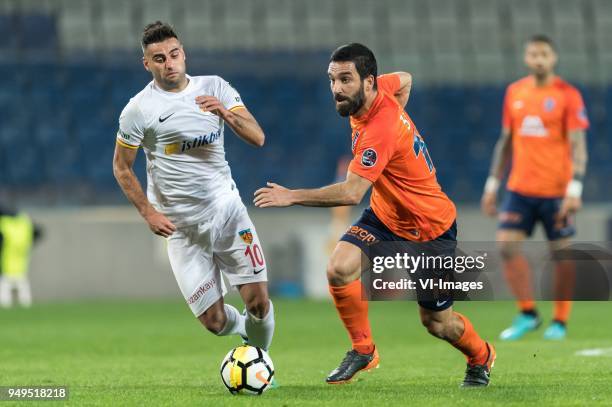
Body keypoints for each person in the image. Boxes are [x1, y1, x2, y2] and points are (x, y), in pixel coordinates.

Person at [254, 43, 495, 387]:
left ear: (367, 82)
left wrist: (292, 195)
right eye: (332, 79)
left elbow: (351, 192)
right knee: (339, 268)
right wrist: (398, 119)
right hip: (385, 216)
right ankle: (363, 350)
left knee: (438, 323)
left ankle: (481, 356)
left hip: (430, 228)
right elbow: (406, 79)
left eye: (345, 80)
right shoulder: (379, 90)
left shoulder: (378, 130)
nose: (336, 89)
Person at [112, 22, 275, 354]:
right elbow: (121, 166)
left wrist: (225, 113)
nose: (169, 63)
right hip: (181, 228)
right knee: (215, 323)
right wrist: (148, 212)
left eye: (174, 54)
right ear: (147, 64)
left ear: (183, 53)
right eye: (159, 59)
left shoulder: (215, 86)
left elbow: (257, 137)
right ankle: (248, 336)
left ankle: (261, 365)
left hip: (228, 213)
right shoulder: (139, 110)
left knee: (258, 302)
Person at [481, 34, 589, 341]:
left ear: (553, 58)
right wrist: (492, 184)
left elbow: (579, 144)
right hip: (520, 189)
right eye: (533, 54)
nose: (539, 59)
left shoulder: (568, 95)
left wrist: (575, 189)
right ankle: (528, 313)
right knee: (506, 246)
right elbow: (506, 142)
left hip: (556, 191)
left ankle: (560, 321)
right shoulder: (515, 92)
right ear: (527, 58)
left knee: (562, 256)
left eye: (544, 54)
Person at [0, 207, 40, 308]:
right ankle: (26, 308)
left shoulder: (4, 225)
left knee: (5, 290)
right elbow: (39, 232)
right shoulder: (24, 225)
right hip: (21, 266)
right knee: (23, 290)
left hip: (6, 266)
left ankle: (6, 307)